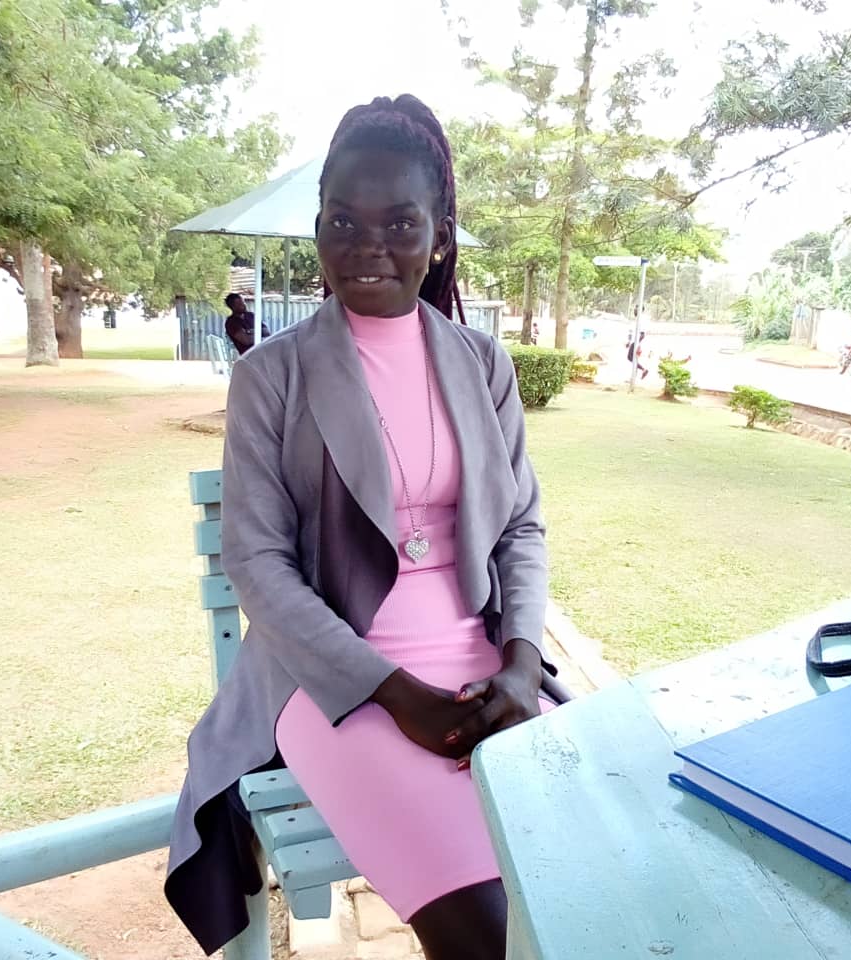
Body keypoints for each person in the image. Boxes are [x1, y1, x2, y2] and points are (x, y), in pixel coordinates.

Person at [165, 94, 568, 960]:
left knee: (581, 873)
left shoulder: (481, 363)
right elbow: (258, 563)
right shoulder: (273, 375)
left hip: (482, 663)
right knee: (484, 931)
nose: (368, 245)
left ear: (441, 234)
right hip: (333, 682)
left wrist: (524, 666)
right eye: (344, 220)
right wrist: (394, 695)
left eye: (399, 221)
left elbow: (520, 530)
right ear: (318, 228)